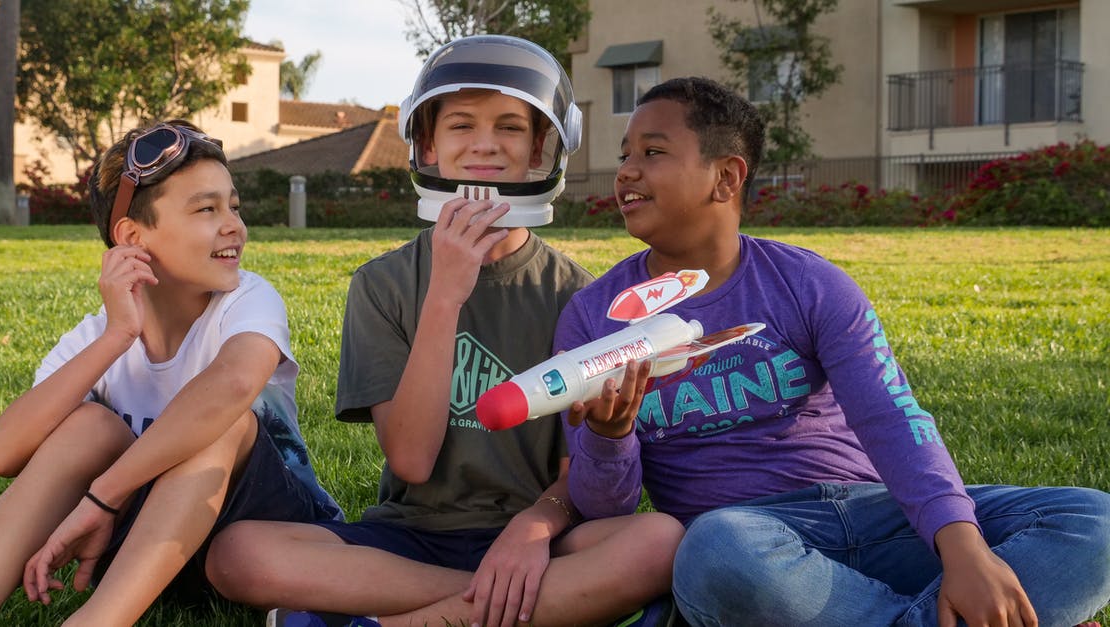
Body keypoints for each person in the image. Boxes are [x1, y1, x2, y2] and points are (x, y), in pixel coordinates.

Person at [556, 76, 1110, 627]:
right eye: (624, 154)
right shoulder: (595, 317)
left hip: (878, 517)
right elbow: (607, 511)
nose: (625, 171)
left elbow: (891, 417)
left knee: (1096, 523)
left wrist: (962, 547)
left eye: (652, 152)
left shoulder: (807, 282)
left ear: (725, 177)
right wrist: (609, 437)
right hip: (749, 544)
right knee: (712, 551)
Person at [206, 35, 685, 627]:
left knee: (660, 540)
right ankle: (494, 603)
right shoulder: (382, 284)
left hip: (533, 534)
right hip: (411, 538)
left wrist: (530, 531)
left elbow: (573, 478)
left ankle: (385, 618)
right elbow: (410, 459)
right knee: (237, 555)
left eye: (511, 127)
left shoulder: (579, 296)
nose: (485, 144)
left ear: (543, 146)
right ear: (427, 143)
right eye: (461, 125)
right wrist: (445, 295)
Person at [0, 120, 342, 627]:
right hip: (147, 549)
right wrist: (118, 335)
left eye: (233, 205)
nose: (233, 225)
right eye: (207, 208)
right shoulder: (100, 334)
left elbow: (232, 386)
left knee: (221, 420)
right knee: (88, 426)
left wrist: (103, 494)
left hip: (267, 532)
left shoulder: (247, 299)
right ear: (132, 238)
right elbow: (3, 452)